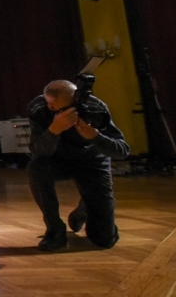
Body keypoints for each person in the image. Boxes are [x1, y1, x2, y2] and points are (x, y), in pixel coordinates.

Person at [26, 80, 129, 251]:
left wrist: (96, 136)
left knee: (104, 240)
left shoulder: (94, 106)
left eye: (77, 104)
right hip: (56, 160)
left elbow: (122, 150)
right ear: (51, 106)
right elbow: (37, 151)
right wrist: (54, 130)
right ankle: (55, 230)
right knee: (36, 168)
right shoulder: (39, 108)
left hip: (92, 162)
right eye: (68, 108)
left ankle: (85, 209)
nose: (75, 111)